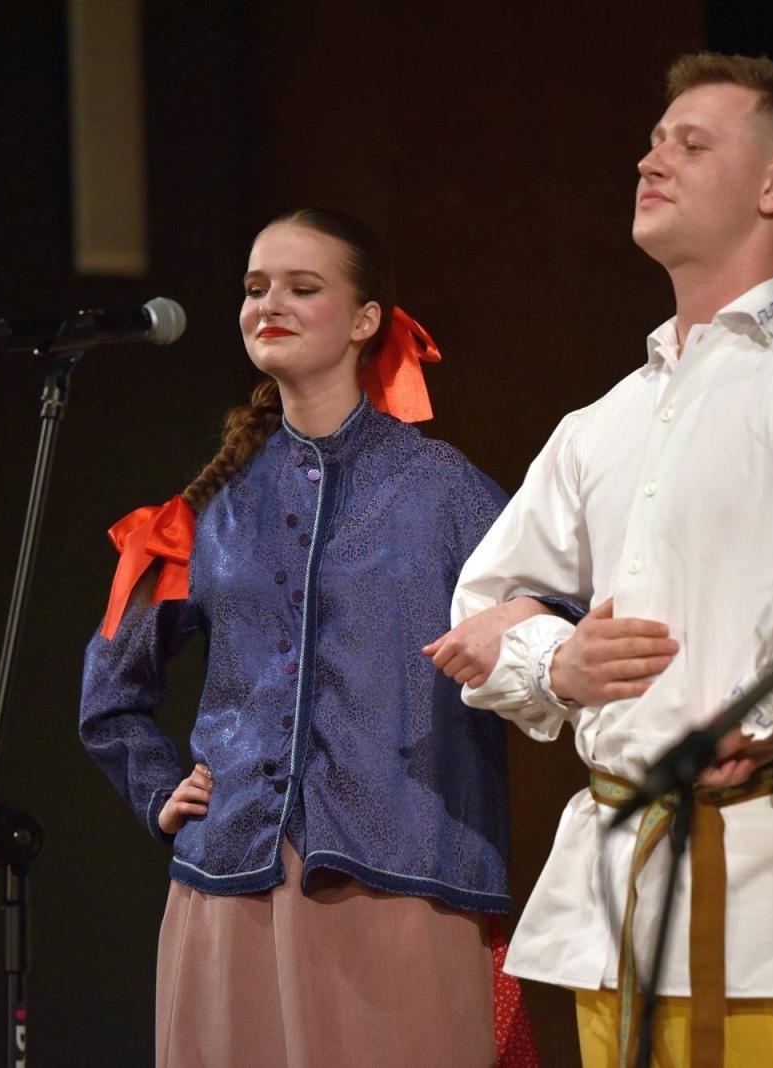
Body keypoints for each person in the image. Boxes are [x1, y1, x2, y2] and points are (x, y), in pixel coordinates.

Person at [426, 54, 773, 1067]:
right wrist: (558, 664)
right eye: (651, 140)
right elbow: (483, 607)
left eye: (690, 143)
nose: (650, 158)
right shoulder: (601, 423)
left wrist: (746, 714)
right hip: (618, 907)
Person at [79, 209, 538, 1067]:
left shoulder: (445, 492)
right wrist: (158, 788)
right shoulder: (208, 509)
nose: (269, 304)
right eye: (255, 288)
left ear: (367, 321)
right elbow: (112, 691)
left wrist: (526, 620)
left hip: (405, 879)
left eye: (302, 287)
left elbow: (561, 617)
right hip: (230, 887)